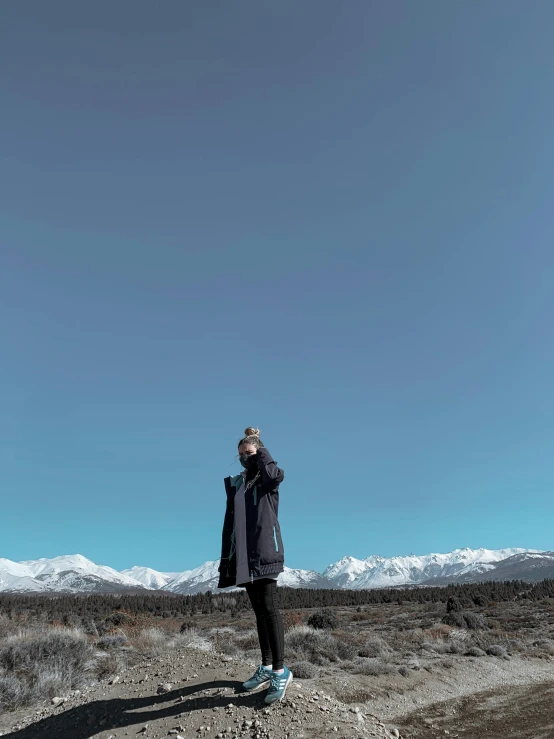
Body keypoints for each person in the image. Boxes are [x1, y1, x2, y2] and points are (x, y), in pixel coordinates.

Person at [217, 427, 293, 705]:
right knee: (259, 613)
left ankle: (280, 671)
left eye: (249, 454)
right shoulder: (239, 483)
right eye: (240, 455)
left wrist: (260, 449)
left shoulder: (267, 479)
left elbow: (274, 474)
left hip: (265, 553)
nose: (244, 459)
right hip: (244, 558)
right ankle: (266, 665)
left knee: (270, 611)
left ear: (259, 453)